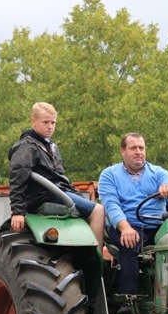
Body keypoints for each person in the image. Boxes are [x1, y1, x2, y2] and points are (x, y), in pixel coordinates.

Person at [98, 132, 168, 296]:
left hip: (157, 226)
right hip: (127, 224)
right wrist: (125, 228)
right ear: (122, 151)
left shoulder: (157, 172)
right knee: (129, 243)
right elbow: (111, 205)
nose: (138, 152)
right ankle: (128, 299)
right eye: (133, 148)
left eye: (141, 148)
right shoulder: (109, 175)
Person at [8, 102, 104, 247]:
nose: (50, 126)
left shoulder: (51, 147)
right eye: (45, 122)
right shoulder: (27, 147)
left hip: (58, 193)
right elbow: (17, 180)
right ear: (33, 121)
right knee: (98, 211)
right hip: (43, 197)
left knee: (101, 214)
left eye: (53, 122)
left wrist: (75, 194)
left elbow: (60, 178)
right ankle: (96, 257)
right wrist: (18, 212)